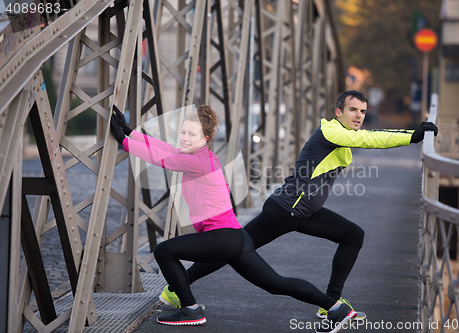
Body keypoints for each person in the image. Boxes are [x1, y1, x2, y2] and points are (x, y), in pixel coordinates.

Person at [156, 91, 438, 321]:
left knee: (352, 235)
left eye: (363, 111)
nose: (359, 116)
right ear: (338, 113)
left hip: (304, 212)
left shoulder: (343, 136)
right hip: (285, 210)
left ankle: (332, 300)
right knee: (234, 249)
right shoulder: (331, 131)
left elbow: (361, 138)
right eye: (353, 110)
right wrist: (413, 135)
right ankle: (175, 290)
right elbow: (370, 138)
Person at [110, 104, 360, 333]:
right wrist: (131, 133)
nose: (185, 138)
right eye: (183, 132)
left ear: (205, 139)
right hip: (236, 238)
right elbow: (168, 150)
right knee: (275, 284)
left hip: (222, 237)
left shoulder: (196, 162)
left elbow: (164, 159)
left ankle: (190, 309)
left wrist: (123, 141)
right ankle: (336, 308)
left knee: (164, 251)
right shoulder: (201, 156)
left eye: (192, 134)